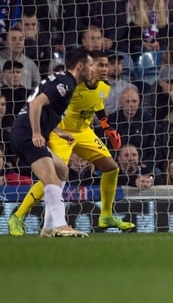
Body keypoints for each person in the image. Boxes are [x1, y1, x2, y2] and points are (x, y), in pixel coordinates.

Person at [8, 51, 135, 236]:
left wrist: (107, 128)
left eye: (106, 65)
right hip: (54, 131)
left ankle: (105, 215)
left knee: (110, 168)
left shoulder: (104, 87)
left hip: (81, 131)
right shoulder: (71, 85)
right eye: (98, 65)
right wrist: (45, 132)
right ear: (85, 67)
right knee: (51, 176)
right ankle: (23, 216)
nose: (103, 69)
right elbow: (39, 105)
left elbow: (97, 104)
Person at [8, 48, 94, 237]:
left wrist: (58, 131)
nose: (93, 69)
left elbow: (46, 111)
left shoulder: (63, 81)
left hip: (25, 132)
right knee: (51, 178)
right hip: (27, 134)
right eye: (91, 65)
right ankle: (60, 225)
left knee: (62, 170)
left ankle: (47, 228)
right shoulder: (66, 83)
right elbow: (35, 104)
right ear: (80, 66)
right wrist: (37, 133)